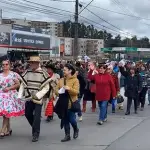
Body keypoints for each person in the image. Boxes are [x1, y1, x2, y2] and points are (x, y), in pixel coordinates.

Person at [18, 56, 52, 142]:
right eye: (30, 62)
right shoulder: (27, 72)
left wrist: (38, 95)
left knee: (37, 116)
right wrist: (19, 95)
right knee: (27, 114)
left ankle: (35, 133)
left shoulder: (43, 73)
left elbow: (46, 87)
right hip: (29, 97)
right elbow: (23, 84)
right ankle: (35, 127)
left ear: (37, 63)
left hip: (38, 98)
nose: (31, 64)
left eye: (33, 62)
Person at [55, 64, 79, 142]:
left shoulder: (75, 80)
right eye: (63, 70)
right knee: (65, 119)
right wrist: (59, 92)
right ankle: (67, 135)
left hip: (71, 103)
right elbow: (56, 90)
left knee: (72, 119)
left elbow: (76, 92)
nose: (63, 71)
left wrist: (69, 89)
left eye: (65, 70)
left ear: (70, 71)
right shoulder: (61, 80)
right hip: (63, 103)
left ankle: (76, 129)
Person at [0, 60, 24, 137]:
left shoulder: (13, 75)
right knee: (5, 113)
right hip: (2, 97)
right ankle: (9, 129)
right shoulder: (0, 75)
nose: (4, 66)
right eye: (3, 65)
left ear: (9, 65)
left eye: (6, 64)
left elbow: (18, 84)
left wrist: (9, 88)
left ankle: (3, 130)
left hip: (10, 96)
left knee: (7, 112)